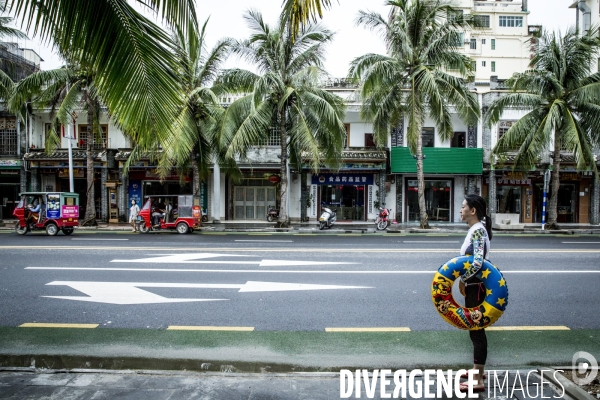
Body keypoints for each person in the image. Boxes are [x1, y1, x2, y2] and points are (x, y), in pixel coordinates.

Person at [458, 194, 493, 393]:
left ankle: (478, 379)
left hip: (476, 285)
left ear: (473, 211)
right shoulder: (476, 230)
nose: (461, 210)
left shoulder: (478, 231)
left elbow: (478, 262)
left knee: (476, 329)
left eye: (463, 207)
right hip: (474, 285)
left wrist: (463, 279)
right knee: (475, 329)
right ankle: (477, 369)